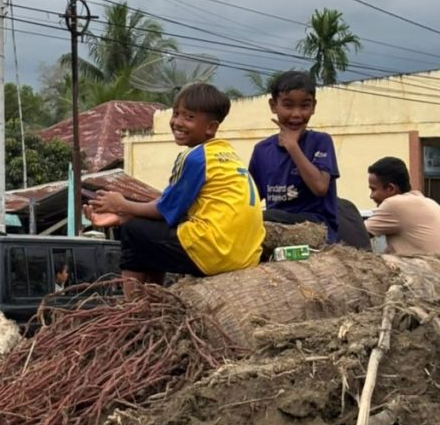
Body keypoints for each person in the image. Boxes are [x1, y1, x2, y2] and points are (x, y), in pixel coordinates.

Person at [86, 83, 265, 294]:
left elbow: (165, 210)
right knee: (142, 233)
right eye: (176, 113)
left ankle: (134, 307)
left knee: (133, 233)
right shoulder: (227, 155)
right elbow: (175, 209)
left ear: (210, 127)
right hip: (244, 254)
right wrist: (126, 215)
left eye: (189, 117)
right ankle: (151, 301)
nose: (177, 122)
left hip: (216, 251)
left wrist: (122, 205)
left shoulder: (195, 157)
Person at [248, 71, 341, 243]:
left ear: (313, 106)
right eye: (288, 106)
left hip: (315, 224)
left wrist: (293, 147)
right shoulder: (261, 150)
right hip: (275, 223)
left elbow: (320, 187)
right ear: (273, 105)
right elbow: (250, 199)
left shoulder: (321, 141)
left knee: (267, 217)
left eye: (304, 106)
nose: (296, 114)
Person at [365, 156, 440, 255]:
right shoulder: (427, 201)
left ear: (390, 188)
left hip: (430, 268)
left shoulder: (394, 204)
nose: (371, 196)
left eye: (373, 189)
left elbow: (357, 233)